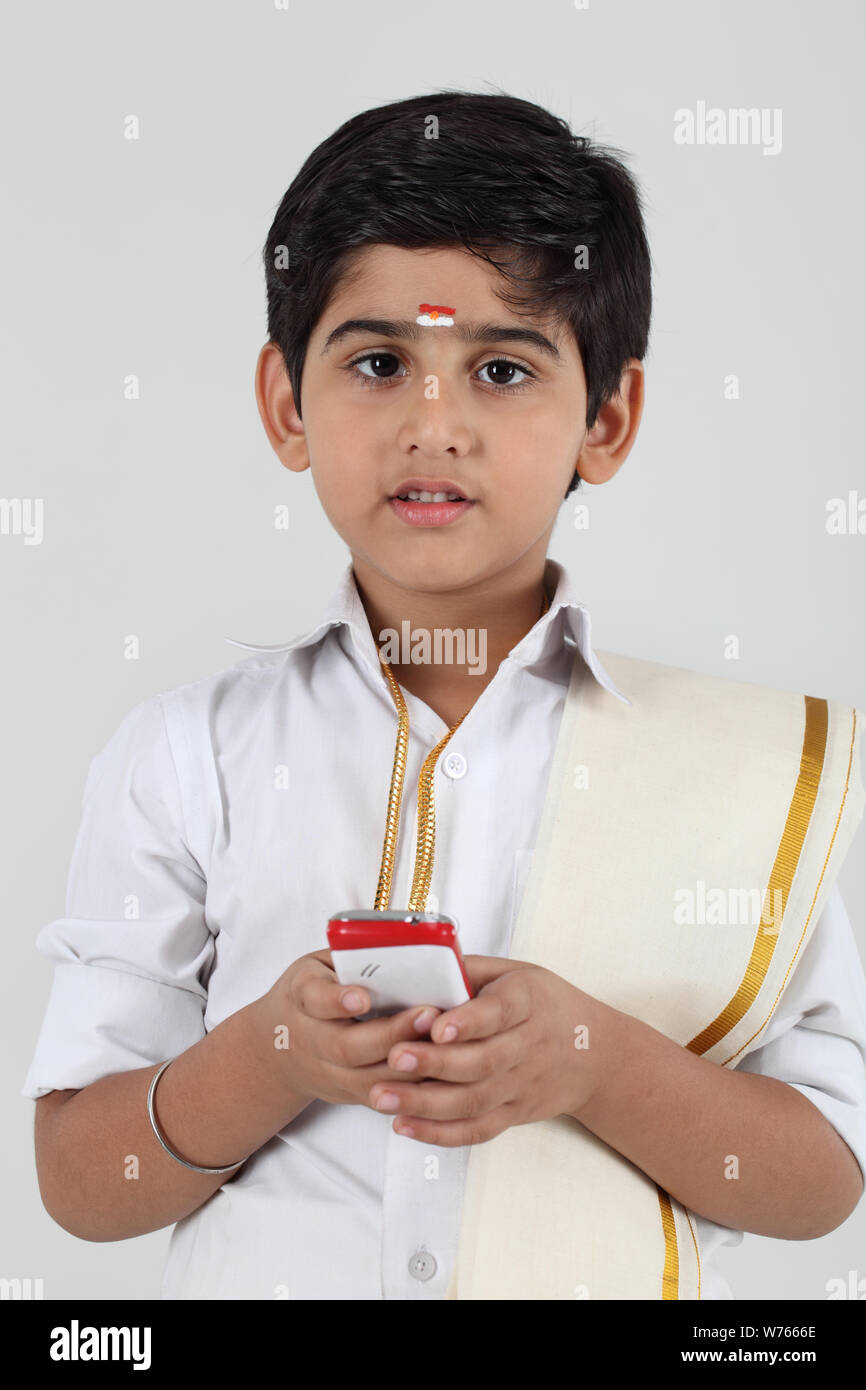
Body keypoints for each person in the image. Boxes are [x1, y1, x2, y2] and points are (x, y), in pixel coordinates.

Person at [23, 89, 866, 1300]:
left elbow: (822, 1172)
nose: (435, 423)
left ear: (607, 417)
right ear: (283, 404)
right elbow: (78, 1183)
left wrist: (592, 1059)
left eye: (501, 368)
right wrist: (269, 1053)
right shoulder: (185, 755)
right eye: (377, 362)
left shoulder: (735, 771)